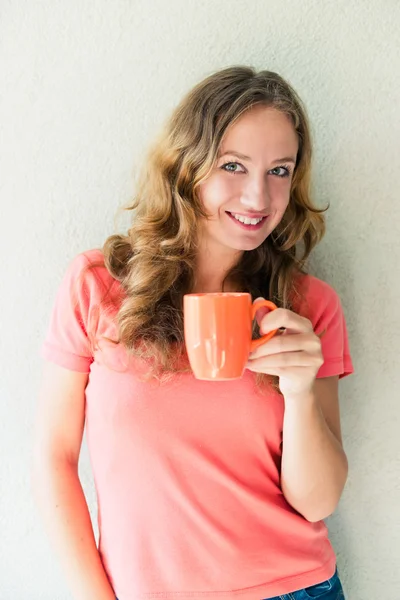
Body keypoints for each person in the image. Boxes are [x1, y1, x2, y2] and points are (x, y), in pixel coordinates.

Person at [32, 66, 353, 600]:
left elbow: (317, 502)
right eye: (233, 165)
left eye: (279, 170)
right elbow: (54, 457)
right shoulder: (97, 286)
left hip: (296, 590)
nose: (258, 196)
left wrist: (298, 393)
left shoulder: (309, 306)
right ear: (187, 165)